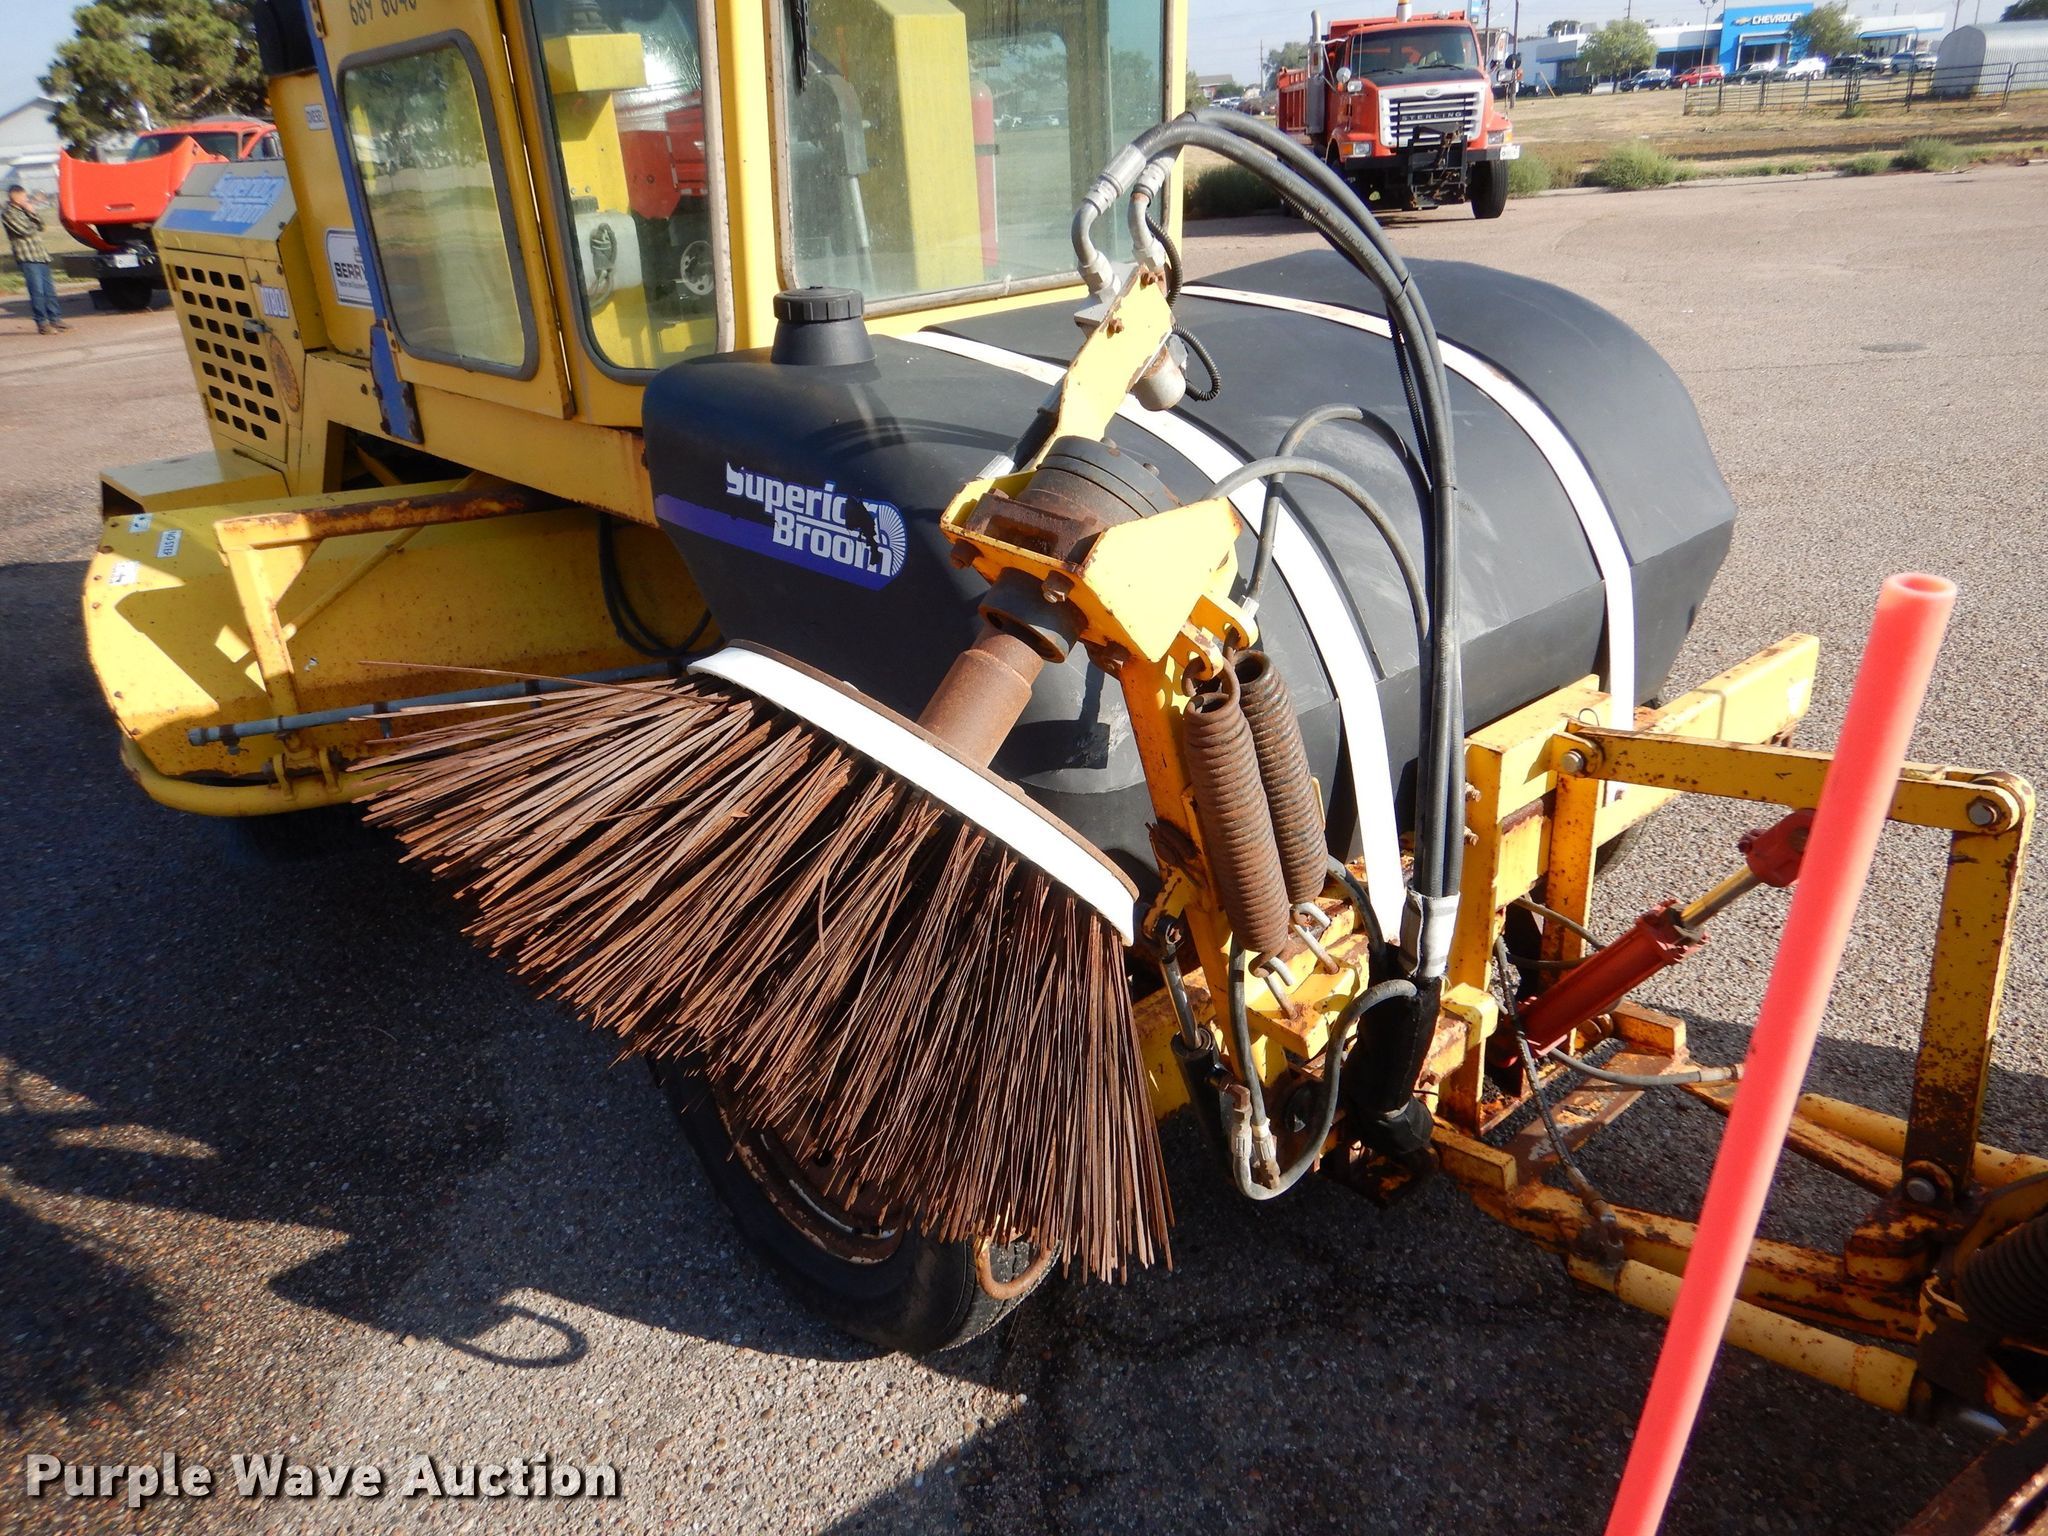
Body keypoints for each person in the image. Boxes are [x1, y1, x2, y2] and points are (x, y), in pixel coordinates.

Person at [5, 185, 68, 335]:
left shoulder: (25, 211)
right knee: (37, 291)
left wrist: (32, 213)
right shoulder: (9, 213)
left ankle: (55, 319)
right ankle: (42, 323)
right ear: (15, 197)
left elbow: (42, 226)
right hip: (27, 257)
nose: (26, 199)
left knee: (49, 291)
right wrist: (31, 215)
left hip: (40, 255)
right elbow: (24, 230)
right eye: (23, 196)